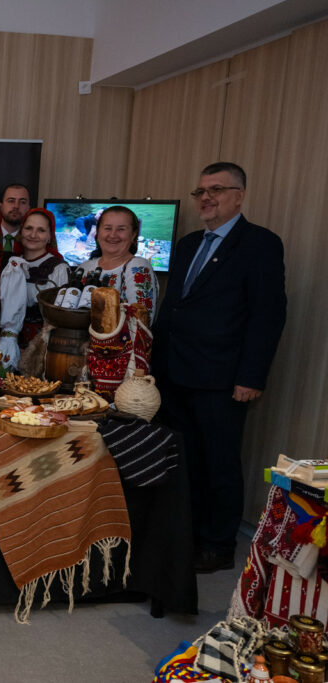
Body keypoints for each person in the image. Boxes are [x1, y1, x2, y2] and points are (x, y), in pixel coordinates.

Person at [153, 162, 286, 573]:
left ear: (239, 195)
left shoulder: (259, 244)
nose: (206, 198)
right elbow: (173, 308)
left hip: (222, 379)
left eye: (217, 190)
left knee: (220, 463)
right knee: (185, 460)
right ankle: (188, 535)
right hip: (175, 372)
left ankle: (217, 544)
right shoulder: (189, 243)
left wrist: (251, 377)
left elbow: (268, 314)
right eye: (201, 192)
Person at [0, 209, 69, 369]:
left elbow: (62, 316)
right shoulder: (10, 264)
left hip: (41, 350)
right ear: (21, 231)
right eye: (29, 228)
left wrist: (36, 349)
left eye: (41, 230)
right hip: (6, 343)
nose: (33, 234)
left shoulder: (58, 268)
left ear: (50, 236)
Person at [77, 205, 160, 322]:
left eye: (121, 229)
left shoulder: (138, 267)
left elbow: (141, 323)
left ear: (133, 235)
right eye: (107, 228)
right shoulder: (85, 267)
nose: (113, 235)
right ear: (98, 232)